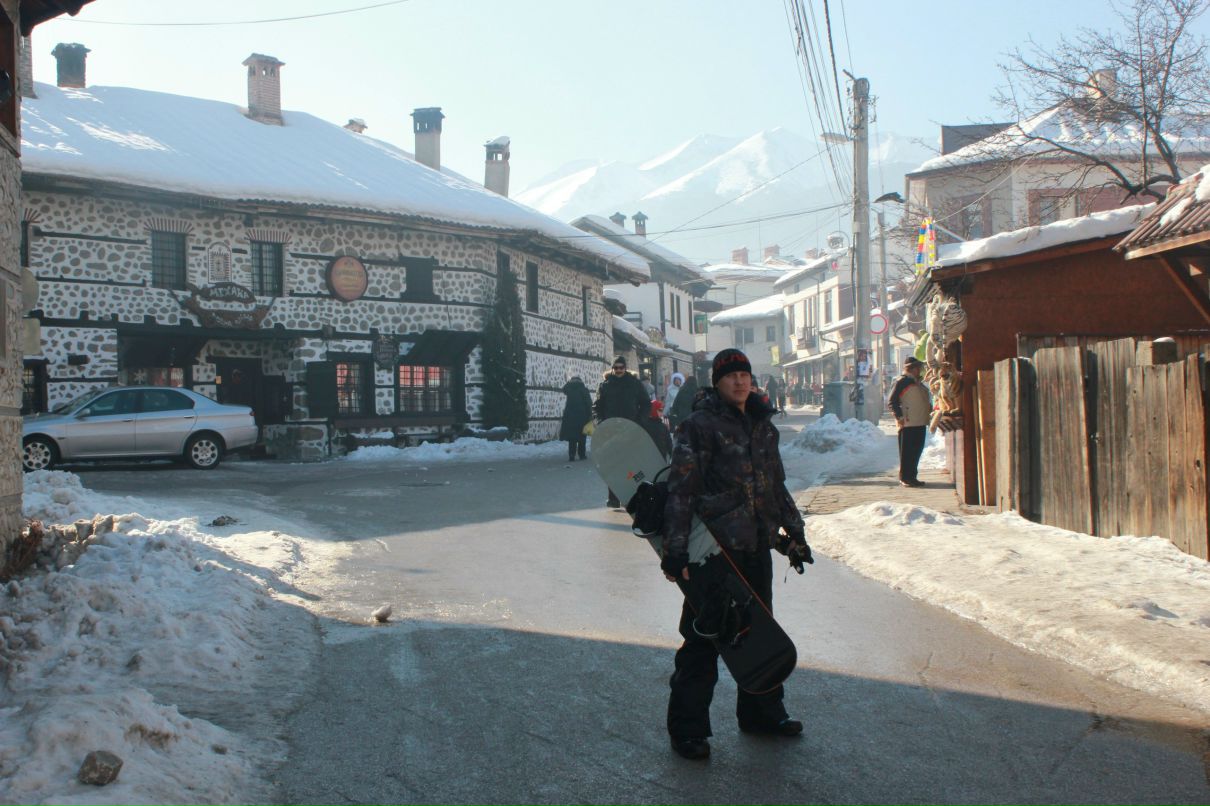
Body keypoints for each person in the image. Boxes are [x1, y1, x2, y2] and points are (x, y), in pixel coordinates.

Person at [660, 348, 813, 760]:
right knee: (704, 638)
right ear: (717, 382)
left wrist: (793, 534)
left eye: (744, 374)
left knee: (758, 633)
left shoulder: (763, 425)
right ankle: (688, 729)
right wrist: (676, 553)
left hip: (754, 547)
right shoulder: (699, 426)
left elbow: (775, 486)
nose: (740, 382)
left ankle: (762, 713)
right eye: (731, 376)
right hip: (714, 552)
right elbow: (681, 491)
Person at [594, 356, 651, 507]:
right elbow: (597, 408)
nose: (619, 370)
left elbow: (646, 404)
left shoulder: (634, 384)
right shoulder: (605, 385)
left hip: (631, 430)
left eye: (621, 367)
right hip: (611, 431)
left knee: (631, 465)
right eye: (616, 368)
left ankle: (633, 497)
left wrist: (639, 421)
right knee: (613, 465)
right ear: (612, 369)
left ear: (625, 368)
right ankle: (613, 498)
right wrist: (602, 423)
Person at [888, 356, 931, 488]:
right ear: (911, 369)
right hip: (908, 423)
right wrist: (899, 416)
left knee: (916, 451)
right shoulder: (902, 382)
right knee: (907, 453)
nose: (920, 370)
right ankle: (905, 477)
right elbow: (892, 401)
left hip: (920, 421)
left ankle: (913, 477)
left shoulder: (918, 383)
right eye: (918, 368)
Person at [559, 376, 593, 461]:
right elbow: (588, 403)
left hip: (570, 417)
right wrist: (590, 414)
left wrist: (569, 382)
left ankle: (571, 455)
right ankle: (582, 454)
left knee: (572, 438)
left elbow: (564, 389)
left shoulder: (569, 390)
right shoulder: (583, 390)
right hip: (582, 416)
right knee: (582, 436)